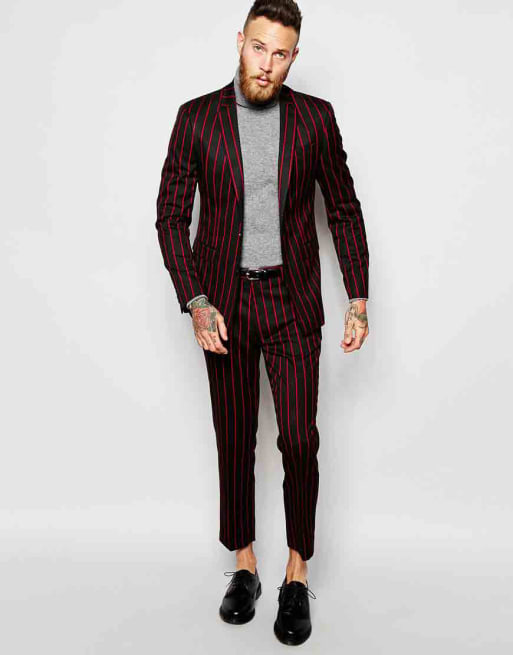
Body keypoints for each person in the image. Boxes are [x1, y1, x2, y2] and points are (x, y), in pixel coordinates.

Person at [155, 0, 370, 645]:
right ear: (239, 42)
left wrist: (358, 296)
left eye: (280, 53)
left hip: (293, 304)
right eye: (258, 47)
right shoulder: (196, 119)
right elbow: (171, 217)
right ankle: (245, 565)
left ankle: (296, 575)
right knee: (235, 438)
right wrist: (196, 301)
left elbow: (344, 208)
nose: (266, 64)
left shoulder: (314, 119)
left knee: (299, 440)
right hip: (223, 306)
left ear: (294, 57)